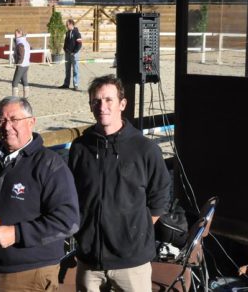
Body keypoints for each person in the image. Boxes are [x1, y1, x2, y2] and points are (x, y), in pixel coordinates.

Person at [68, 74, 171, 292]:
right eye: (96, 101)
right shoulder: (80, 148)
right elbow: (73, 195)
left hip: (132, 264)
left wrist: (132, 232)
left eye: (108, 100)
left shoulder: (145, 149)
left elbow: (160, 196)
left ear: (122, 104)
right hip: (89, 262)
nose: (102, 106)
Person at [0, 96, 80, 292]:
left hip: (29, 274)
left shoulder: (49, 165)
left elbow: (69, 221)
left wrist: (17, 234)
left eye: (14, 120)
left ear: (31, 122)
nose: (7, 127)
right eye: (1, 120)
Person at [59, 19, 82, 91]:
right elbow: (66, 42)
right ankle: (66, 84)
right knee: (67, 69)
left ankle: (76, 85)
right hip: (67, 53)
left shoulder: (77, 33)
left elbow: (79, 44)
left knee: (75, 69)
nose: (66, 26)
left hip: (74, 54)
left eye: (67, 25)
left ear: (71, 24)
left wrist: (74, 52)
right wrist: (65, 49)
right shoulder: (67, 32)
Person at [11, 28, 31, 98]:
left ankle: (14, 99)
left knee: (14, 82)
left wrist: (18, 62)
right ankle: (26, 97)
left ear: (20, 34)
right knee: (24, 81)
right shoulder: (25, 42)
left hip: (21, 65)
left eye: (16, 34)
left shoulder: (20, 43)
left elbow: (21, 55)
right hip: (26, 65)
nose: (15, 35)